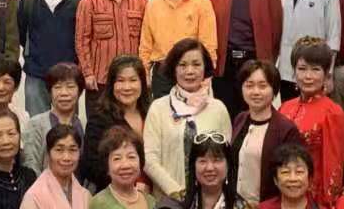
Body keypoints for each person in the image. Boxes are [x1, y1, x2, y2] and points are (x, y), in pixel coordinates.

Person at [143, 39, 233, 200]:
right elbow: (149, 160)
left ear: (205, 67)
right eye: (182, 65)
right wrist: (176, 192)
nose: (189, 71)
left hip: (209, 200)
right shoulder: (158, 108)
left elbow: (226, 158)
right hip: (168, 202)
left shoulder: (218, 109)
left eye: (196, 64)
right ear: (174, 69)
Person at [208, 0, 283, 118]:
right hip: (225, 65)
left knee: (255, 113)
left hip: (254, 62)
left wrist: (266, 63)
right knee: (225, 114)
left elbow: (276, 36)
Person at [279, 38, 344, 207]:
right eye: (302, 69)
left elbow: (334, 166)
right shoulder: (285, 107)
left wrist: (328, 206)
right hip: (282, 192)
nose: (308, 76)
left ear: (326, 74)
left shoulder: (332, 112)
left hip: (314, 199)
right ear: (294, 71)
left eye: (315, 69)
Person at [140, 0, 218, 99]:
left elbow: (208, 43)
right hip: (162, 72)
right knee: (163, 111)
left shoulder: (201, 3)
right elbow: (146, 44)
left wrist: (208, 74)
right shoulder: (153, 5)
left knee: (193, 112)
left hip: (192, 70)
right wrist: (145, 73)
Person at [18, 0, 85, 116]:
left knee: (67, 125)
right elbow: (22, 32)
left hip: (68, 75)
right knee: (36, 123)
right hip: (36, 74)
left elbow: (83, 34)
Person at [75, 0, 149, 96]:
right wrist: (87, 73)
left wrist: (146, 72)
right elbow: (82, 41)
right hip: (101, 81)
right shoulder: (89, 1)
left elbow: (148, 39)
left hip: (133, 80)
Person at [231, 60, 303, 205]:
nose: (256, 92)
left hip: (267, 208)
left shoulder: (286, 129)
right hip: (236, 206)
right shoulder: (240, 119)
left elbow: (291, 175)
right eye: (249, 85)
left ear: (274, 90)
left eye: (262, 86)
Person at [277, 0, 341, 101]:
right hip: (286, 71)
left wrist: (328, 73)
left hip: (314, 72)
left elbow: (333, 36)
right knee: (288, 112)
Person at [79, 55, 149, 192]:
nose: (127, 87)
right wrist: (130, 184)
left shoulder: (151, 113)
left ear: (142, 83)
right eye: (120, 81)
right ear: (111, 85)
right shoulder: (99, 118)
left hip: (151, 192)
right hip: (113, 193)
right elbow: (91, 166)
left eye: (133, 80)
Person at [23, 63, 85, 174]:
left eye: (70, 87)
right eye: (57, 87)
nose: (64, 93)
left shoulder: (81, 125)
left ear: (79, 92)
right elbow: (31, 167)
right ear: (50, 92)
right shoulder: (36, 125)